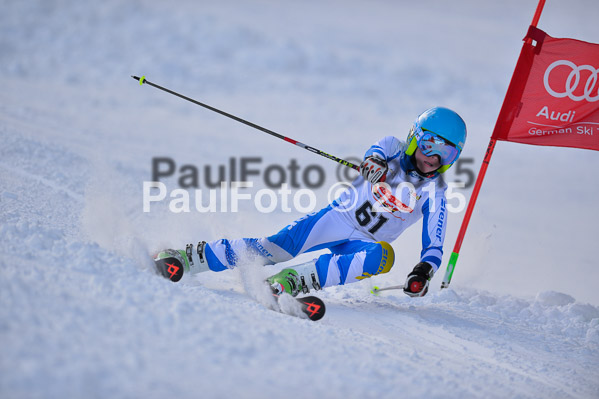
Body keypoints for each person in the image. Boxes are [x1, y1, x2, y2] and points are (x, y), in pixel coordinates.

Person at [154, 106, 466, 298]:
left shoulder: (435, 191)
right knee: (272, 248)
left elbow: (435, 244)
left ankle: (291, 282)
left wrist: (424, 271)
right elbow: (375, 153)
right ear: (415, 137)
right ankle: (189, 258)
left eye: (447, 153)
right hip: (337, 220)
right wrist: (373, 164)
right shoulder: (391, 147)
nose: (433, 158)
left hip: (365, 243)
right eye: (429, 146)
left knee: (383, 257)